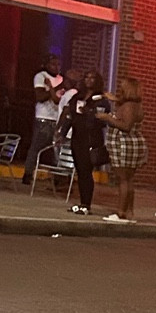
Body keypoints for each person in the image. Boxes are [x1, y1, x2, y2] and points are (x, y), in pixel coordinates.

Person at [98, 74, 147, 222]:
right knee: (129, 179)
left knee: (123, 179)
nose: (120, 88)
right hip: (131, 143)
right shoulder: (134, 105)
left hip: (124, 144)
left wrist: (107, 118)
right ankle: (129, 212)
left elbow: (126, 126)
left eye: (122, 87)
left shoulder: (129, 106)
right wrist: (114, 99)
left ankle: (121, 213)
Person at [61, 70, 111, 214]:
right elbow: (70, 115)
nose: (89, 80)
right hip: (77, 136)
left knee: (86, 171)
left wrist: (89, 112)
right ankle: (82, 202)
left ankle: (86, 204)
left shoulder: (101, 99)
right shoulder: (78, 96)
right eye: (87, 77)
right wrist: (62, 132)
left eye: (92, 78)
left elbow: (102, 120)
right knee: (80, 170)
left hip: (91, 138)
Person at [22, 51, 66, 185]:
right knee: (36, 147)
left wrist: (54, 88)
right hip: (43, 118)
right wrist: (57, 88)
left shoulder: (61, 79)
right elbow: (40, 97)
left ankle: (58, 178)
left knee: (57, 150)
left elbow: (59, 100)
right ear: (46, 65)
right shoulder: (41, 76)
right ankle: (28, 174)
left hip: (57, 119)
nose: (56, 67)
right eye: (53, 64)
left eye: (58, 64)